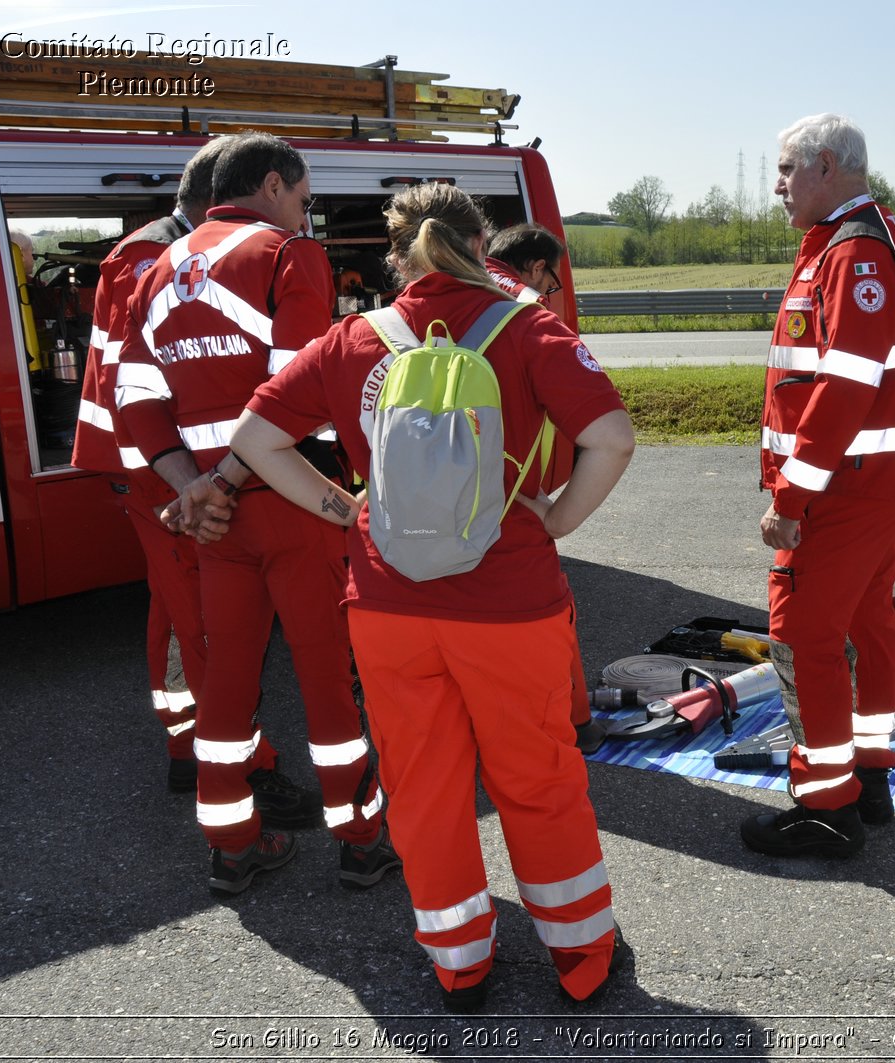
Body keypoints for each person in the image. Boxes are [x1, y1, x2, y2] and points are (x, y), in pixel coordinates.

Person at [228, 183, 635, 1010]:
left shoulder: (352, 339)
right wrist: (553, 520)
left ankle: (459, 961)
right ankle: (582, 957)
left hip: (387, 603)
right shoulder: (525, 327)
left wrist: (345, 510)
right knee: (538, 779)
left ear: (395, 251)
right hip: (510, 602)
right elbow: (611, 437)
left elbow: (253, 441)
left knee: (423, 785)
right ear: (483, 244)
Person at [115, 132, 395, 894]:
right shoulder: (286, 253)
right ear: (272, 185)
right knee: (327, 677)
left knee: (228, 678)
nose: (307, 216)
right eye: (304, 200)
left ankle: (232, 844)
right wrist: (231, 479)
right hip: (292, 500)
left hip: (214, 520)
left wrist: (193, 488)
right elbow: (295, 391)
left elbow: (133, 398)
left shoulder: (158, 266)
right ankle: (362, 840)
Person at [744, 113, 895, 859]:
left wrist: (788, 501)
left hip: (842, 491)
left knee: (802, 635)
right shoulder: (870, 239)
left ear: (825, 167)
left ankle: (826, 806)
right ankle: (870, 777)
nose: (777, 185)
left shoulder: (855, 252)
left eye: (785, 169)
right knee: (871, 630)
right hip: (869, 488)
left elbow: (841, 392)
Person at [72, 137, 231, 795]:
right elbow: (142, 379)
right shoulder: (153, 256)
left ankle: (188, 742)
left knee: (172, 606)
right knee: (201, 611)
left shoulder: (158, 247)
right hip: (155, 465)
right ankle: (232, 759)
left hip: (149, 460)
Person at [484, 223, 604, 752]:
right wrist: (559, 516)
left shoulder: (404, 310)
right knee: (547, 618)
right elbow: (611, 435)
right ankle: (573, 722)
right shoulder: (529, 310)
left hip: (420, 506)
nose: (550, 292)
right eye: (552, 282)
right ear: (535, 268)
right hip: (510, 499)